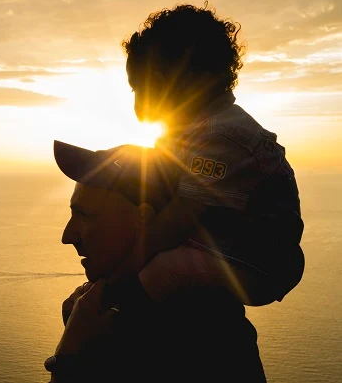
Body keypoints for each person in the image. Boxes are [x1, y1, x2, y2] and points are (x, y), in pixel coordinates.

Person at [105, 2, 305, 308]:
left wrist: (115, 275)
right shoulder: (193, 130)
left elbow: (177, 220)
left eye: (138, 88)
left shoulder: (221, 136)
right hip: (224, 245)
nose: (136, 102)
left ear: (166, 81)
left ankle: (114, 312)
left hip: (257, 264)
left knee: (161, 271)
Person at [45, 140, 268, 382]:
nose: (67, 236)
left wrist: (71, 356)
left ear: (143, 220)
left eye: (85, 215)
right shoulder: (118, 313)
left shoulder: (193, 336)